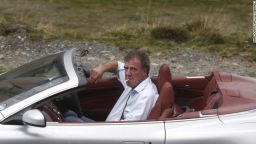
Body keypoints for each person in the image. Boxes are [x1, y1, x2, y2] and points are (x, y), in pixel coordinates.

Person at [64, 49, 159, 122]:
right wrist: (102, 68)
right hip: (108, 127)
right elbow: (117, 65)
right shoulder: (135, 81)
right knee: (69, 113)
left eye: (133, 69)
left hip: (110, 136)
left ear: (144, 71)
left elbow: (129, 130)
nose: (128, 73)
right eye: (126, 68)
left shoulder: (145, 96)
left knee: (68, 119)